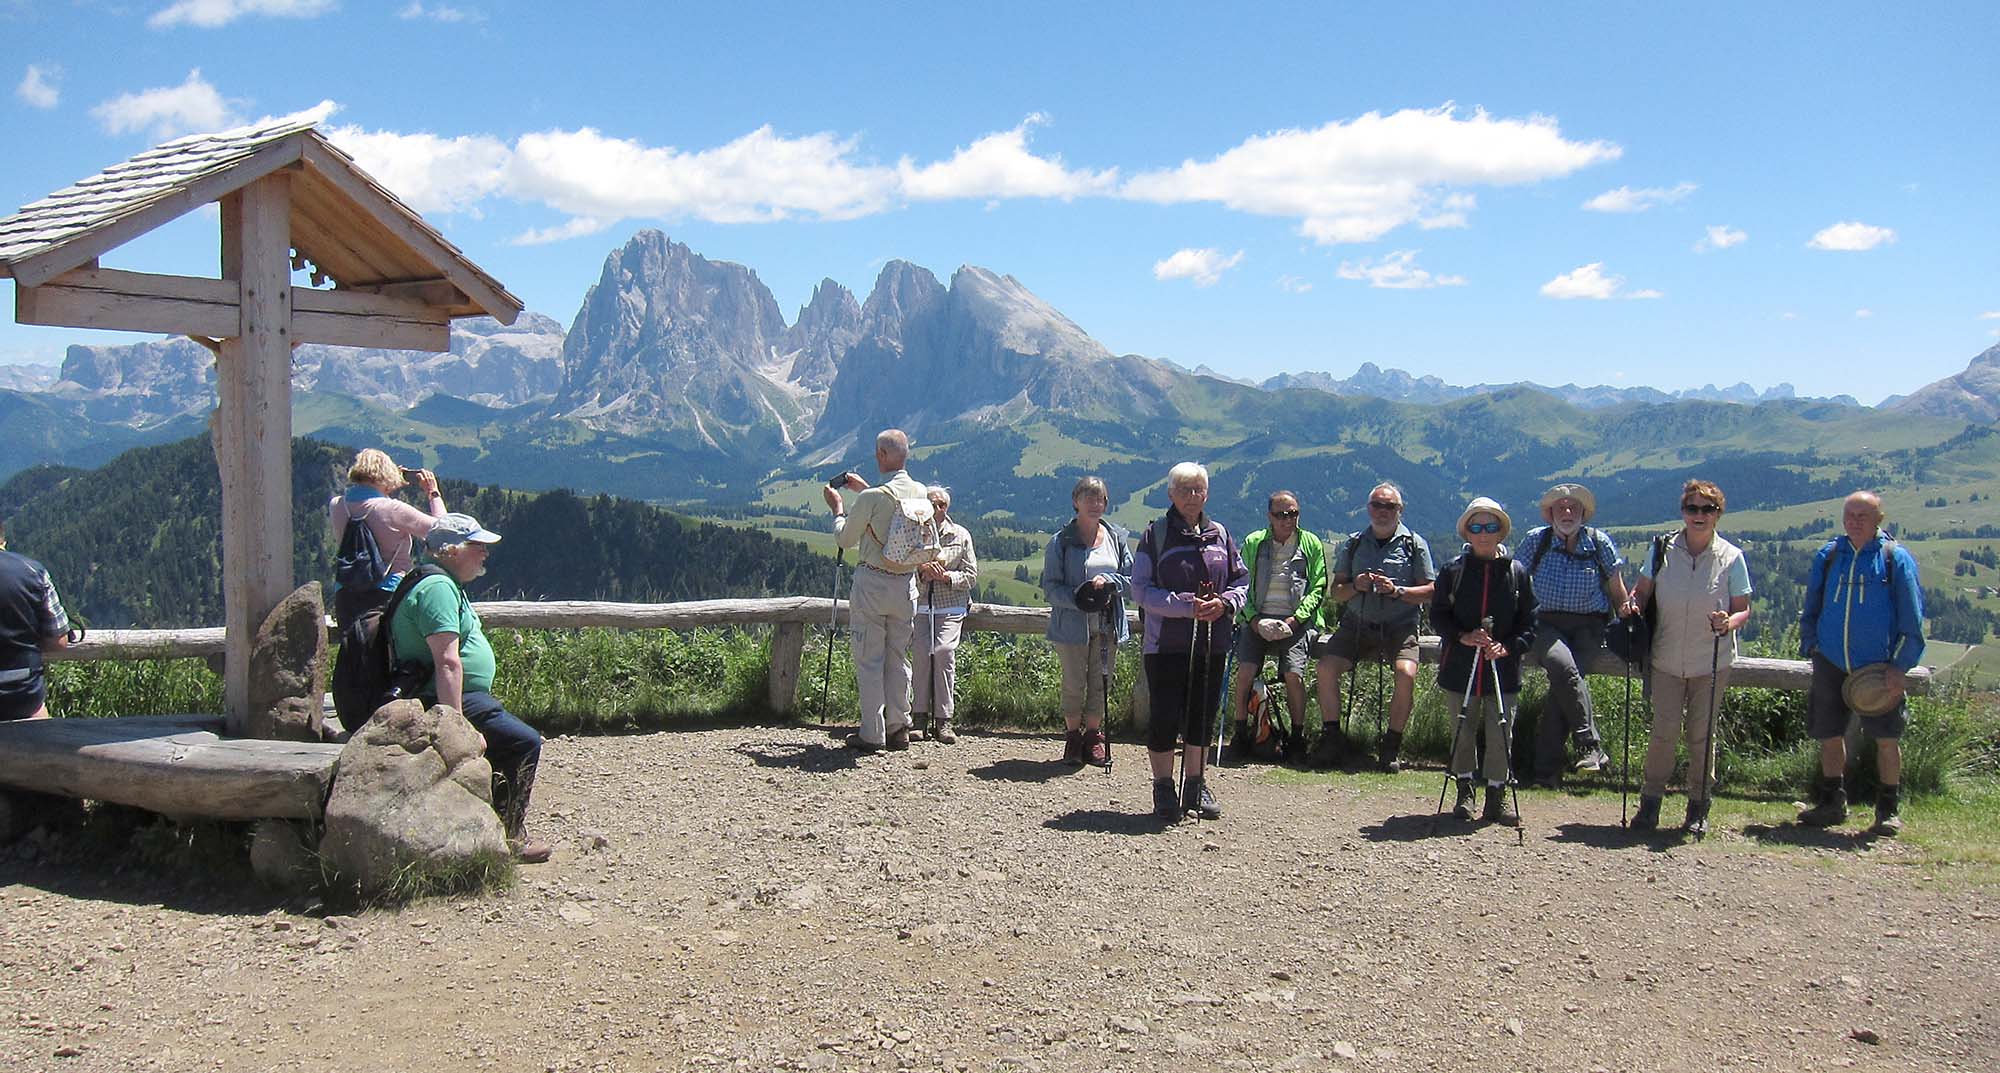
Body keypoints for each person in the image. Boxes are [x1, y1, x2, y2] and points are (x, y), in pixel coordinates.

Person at [389, 513, 551, 863]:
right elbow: (447, 661)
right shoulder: (438, 589)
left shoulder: (439, 583)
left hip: (455, 696)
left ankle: (486, 827)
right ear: (450, 550)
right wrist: (457, 727)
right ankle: (509, 835)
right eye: (476, 546)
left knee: (504, 744)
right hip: (444, 698)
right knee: (523, 742)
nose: (484, 553)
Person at [1623, 480, 1752, 837]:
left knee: (1702, 735)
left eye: (1706, 509)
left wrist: (1729, 622)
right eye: (1692, 508)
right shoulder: (1662, 548)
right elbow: (1643, 591)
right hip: (1665, 656)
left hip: (1711, 658)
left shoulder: (1731, 557)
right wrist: (1633, 605)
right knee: (1663, 734)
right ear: (1683, 512)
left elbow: (1743, 609)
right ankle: (1650, 804)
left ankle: (1699, 805)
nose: (1699, 515)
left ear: (1717, 514)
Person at [1796, 491, 1925, 835]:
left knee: (1886, 738)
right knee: (1829, 733)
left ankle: (1888, 809)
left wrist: (1900, 665)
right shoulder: (1829, 555)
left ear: (1878, 520)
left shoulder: (1893, 559)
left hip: (1879, 667)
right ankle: (1831, 802)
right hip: (1830, 660)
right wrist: (1811, 645)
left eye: (1862, 516)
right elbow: (1812, 606)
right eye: (1849, 515)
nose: (1854, 521)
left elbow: (1912, 620)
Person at [1134, 463, 1248, 819]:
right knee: (1165, 715)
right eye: (1184, 490)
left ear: (1207, 494)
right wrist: (1184, 606)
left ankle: (1196, 784)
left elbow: (1241, 581)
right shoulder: (1155, 536)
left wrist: (1225, 603)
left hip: (1212, 641)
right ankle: (1164, 787)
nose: (1192, 496)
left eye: (1198, 489)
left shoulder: (1220, 534)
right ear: (1170, 494)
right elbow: (1140, 590)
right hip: (1165, 643)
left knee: (1202, 714)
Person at [1309, 482, 1436, 772]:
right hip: (1356, 623)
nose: (1382, 511)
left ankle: (1391, 745)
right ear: (1368, 508)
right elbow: (1336, 591)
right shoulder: (1353, 543)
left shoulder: (1414, 544)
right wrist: (1356, 585)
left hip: (1401, 625)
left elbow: (1430, 590)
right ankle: (1332, 737)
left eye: (1389, 506)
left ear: (1399, 511)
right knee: (1325, 669)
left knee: (1406, 673)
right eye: (1377, 505)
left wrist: (1397, 592)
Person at [1431, 498, 1537, 825]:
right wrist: (1461, 636)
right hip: (1460, 667)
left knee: (1500, 734)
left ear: (1500, 532)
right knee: (1462, 730)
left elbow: (1530, 622)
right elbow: (1437, 615)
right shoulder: (1453, 572)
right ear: (1468, 532)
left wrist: (1508, 647)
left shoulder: (1517, 574)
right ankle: (1465, 790)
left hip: (1502, 669)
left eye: (1491, 527)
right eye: (1477, 527)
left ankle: (1496, 794)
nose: (1484, 534)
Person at [823, 429, 928, 753]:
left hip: (873, 583)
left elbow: (845, 539)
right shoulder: (920, 491)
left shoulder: (871, 500)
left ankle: (872, 732)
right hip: (905, 585)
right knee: (897, 657)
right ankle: (899, 727)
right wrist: (866, 489)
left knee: (870, 658)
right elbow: (895, 515)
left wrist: (838, 508)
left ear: (882, 455)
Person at [1519, 483, 1627, 786]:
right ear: (1550, 513)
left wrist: (1627, 622)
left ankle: (1545, 771)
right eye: (1561, 508)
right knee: (1563, 667)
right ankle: (1589, 745)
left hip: (1590, 627)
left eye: (1573, 508)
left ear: (1583, 513)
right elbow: (1515, 579)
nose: (1567, 512)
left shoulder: (1598, 543)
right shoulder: (1535, 541)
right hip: (1544, 624)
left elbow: (1617, 587)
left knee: (1562, 690)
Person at [1225, 491, 1325, 764]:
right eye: (1281, 514)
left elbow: (1318, 587)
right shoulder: (1255, 542)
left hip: (1296, 622)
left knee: (1294, 675)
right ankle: (1241, 732)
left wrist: (1295, 621)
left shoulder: (1311, 544)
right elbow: (1240, 584)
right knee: (1245, 671)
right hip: (1258, 618)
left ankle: (1297, 737)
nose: (1287, 519)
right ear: (1270, 516)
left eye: (1292, 513)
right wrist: (1254, 620)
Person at [1040, 476, 1132, 767]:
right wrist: (1079, 597)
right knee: (1073, 682)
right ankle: (1072, 737)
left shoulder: (1117, 538)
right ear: (1075, 502)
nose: (1095, 504)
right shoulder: (1061, 541)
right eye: (1088, 498)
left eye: (1100, 499)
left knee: (1099, 682)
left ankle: (1093, 736)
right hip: (1071, 625)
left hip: (1107, 623)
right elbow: (1051, 587)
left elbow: (1132, 579)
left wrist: (1111, 583)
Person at [328, 448, 447, 628]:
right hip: (387, 593)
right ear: (385, 475)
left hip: (346, 593)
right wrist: (433, 492)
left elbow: (371, 508)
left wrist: (386, 485)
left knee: (352, 650)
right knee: (385, 652)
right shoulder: (394, 509)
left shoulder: (337, 504)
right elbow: (443, 530)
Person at [913, 485, 978, 745]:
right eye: (933, 503)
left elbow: (971, 575)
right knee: (920, 652)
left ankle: (944, 720)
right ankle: (918, 717)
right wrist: (920, 571)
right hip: (920, 604)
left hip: (950, 606)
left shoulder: (960, 535)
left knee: (942, 652)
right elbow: (901, 567)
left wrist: (945, 577)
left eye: (942, 504)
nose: (938, 508)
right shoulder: (913, 532)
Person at [0, 521, 73, 722]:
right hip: (21, 697)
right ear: (3, 539)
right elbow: (59, 642)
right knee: (39, 717)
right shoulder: (34, 571)